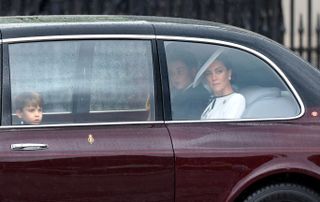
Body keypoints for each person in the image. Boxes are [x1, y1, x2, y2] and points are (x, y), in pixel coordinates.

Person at [168, 50, 210, 120]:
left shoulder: (197, 97)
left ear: (193, 72)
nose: (175, 77)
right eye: (171, 73)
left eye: (180, 72)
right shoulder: (179, 93)